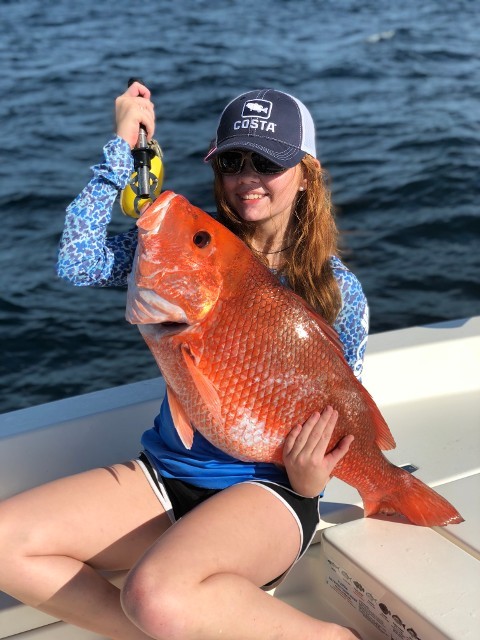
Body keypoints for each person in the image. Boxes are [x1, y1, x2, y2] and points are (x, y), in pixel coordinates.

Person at [0, 83, 367, 640]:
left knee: (153, 593)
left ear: (306, 171)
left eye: (267, 161)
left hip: (274, 490)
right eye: (232, 160)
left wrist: (312, 478)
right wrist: (123, 146)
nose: (248, 176)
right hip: (169, 473)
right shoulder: (186, 247)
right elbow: (77, 260)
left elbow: (347, 409)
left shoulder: (337, 290)